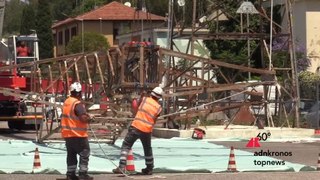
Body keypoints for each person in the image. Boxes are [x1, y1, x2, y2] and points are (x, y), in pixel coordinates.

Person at [112, 87, 163, 175]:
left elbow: (135, 106)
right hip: (147, 130)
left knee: (126, 145)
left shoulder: (145, 100)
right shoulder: (159, 108)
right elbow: (154, 120)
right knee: (147, 149)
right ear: (159, 97)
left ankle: (121, 167)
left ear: (152, 94)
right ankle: (149, 168)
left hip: (136, 126)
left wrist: (141, 95)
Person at [61, 82, 93, 180]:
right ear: (79, 93)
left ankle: (70, 174)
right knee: (84, 152)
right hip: (78, 135)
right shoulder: (77, 104)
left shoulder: (67, 102)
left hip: (68, 135)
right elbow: (83, 118)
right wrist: (90, 118)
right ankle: (83, 174)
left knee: (71, 154)